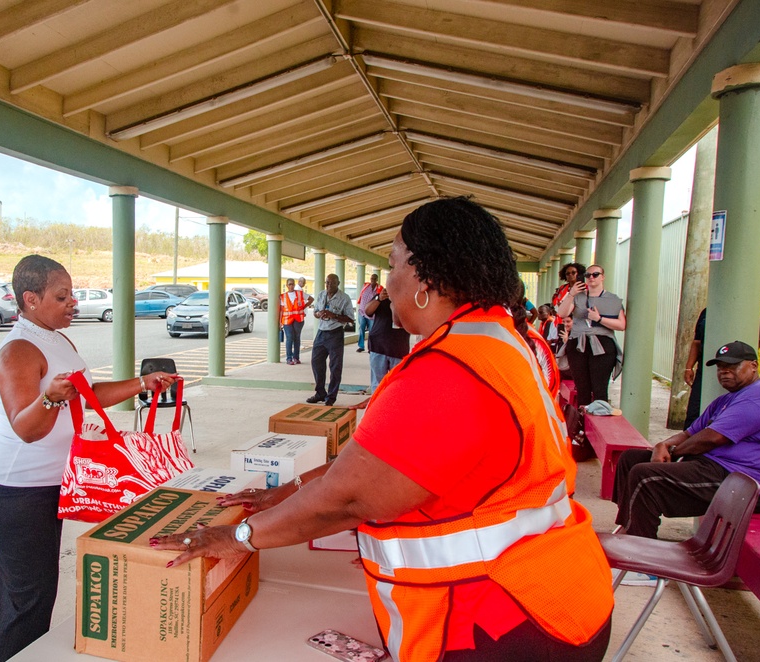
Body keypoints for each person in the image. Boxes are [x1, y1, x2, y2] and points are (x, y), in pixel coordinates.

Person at [153, 197, 613, 661]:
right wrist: (293, 487)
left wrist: (237, 537)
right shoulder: (497, 340)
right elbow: (388, 465)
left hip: (501, 621)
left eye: (392, 266)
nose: (386, 285)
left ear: (425, 277)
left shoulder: (450, 369)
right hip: (554, 593)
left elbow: (350, 497)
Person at [0, 255, 177, 662]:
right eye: (61, 296)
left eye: (72, 294)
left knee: (36, 591)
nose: (73, 303)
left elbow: (86, 394)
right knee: (27, 599)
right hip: (13, 488)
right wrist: (49, 398)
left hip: (51, 482)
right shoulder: (17, 352)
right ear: (30, 299)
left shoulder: (57, 338)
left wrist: (141, 383)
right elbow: (25, 429)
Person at [613, 340, 760, 539]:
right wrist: (663, 445)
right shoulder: (724, 400)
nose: (724, 372)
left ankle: (638, 550)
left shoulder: (759, 393)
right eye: (720, 368)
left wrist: (673, 452)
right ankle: (629, 526)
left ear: (753, 366)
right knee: (631, 459)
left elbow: (712, 438)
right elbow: (690, 433)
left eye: (732, 366)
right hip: (715, 469)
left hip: (744, 480)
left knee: (645, 475)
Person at [555, 264, 625, 406]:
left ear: (602, 277)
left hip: (602, 344)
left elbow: (621, 325)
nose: (591, 278)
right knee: (582, 387)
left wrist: (599, 319)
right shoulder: (577, 297)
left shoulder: (611, 298)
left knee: (600, 388)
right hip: (578, 343)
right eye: (588, 275)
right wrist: (571, 293)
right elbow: (561, 313)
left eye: (595, 274)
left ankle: (599, 415)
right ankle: (582, 422)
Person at [683, 308, 760, 429]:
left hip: (739, 375)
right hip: (705, 371)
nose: (725, 370)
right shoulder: (707, 311)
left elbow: (758, 342)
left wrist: (738, 363)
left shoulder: (752, 311)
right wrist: (689, 367)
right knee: (694, 413)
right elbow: (697, 342)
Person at [306, 273, 355, 406]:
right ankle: (320, 392)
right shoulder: (321, 294)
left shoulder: (344, 298)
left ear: (338, 284)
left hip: (335, 334)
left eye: (332, 283)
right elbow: (315, 312)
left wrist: (334, 316)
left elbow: (351, 318)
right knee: (316, 362)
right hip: (321, 332)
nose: (328, 285)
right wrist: (319, 314)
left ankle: (331, 397)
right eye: (327, 282)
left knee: (335, 366)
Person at [364, 286, 410, 392]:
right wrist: (379, 299)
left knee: (397, 384)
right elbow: (367, 311)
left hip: (399, 348)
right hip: (378, 346)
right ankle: (377, 407)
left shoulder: (407, 300)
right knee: (377, 384)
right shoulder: (380, 298)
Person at [278, 277, 313, 364]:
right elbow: (282, 310)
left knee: (297, 338)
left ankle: (296, 358)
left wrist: (304, 306)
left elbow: (311, 299)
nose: (291, 286)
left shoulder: (300, 293)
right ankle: (289, 358)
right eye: (289, 284)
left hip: (298, 319)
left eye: (293, 284)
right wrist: (280, 321)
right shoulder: (283, 296)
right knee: (289, 338)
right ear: (286, 285)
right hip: (287, 320)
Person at [356, 272, 383, 353]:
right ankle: (361, 346)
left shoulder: (379, 289)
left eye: (374, 279)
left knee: (372, 331)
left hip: (371, 314)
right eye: (371, 278)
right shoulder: (365, 286)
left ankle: (370, 347)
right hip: (362, 312)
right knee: (361, 329)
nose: (373, 280)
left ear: (377, 279)